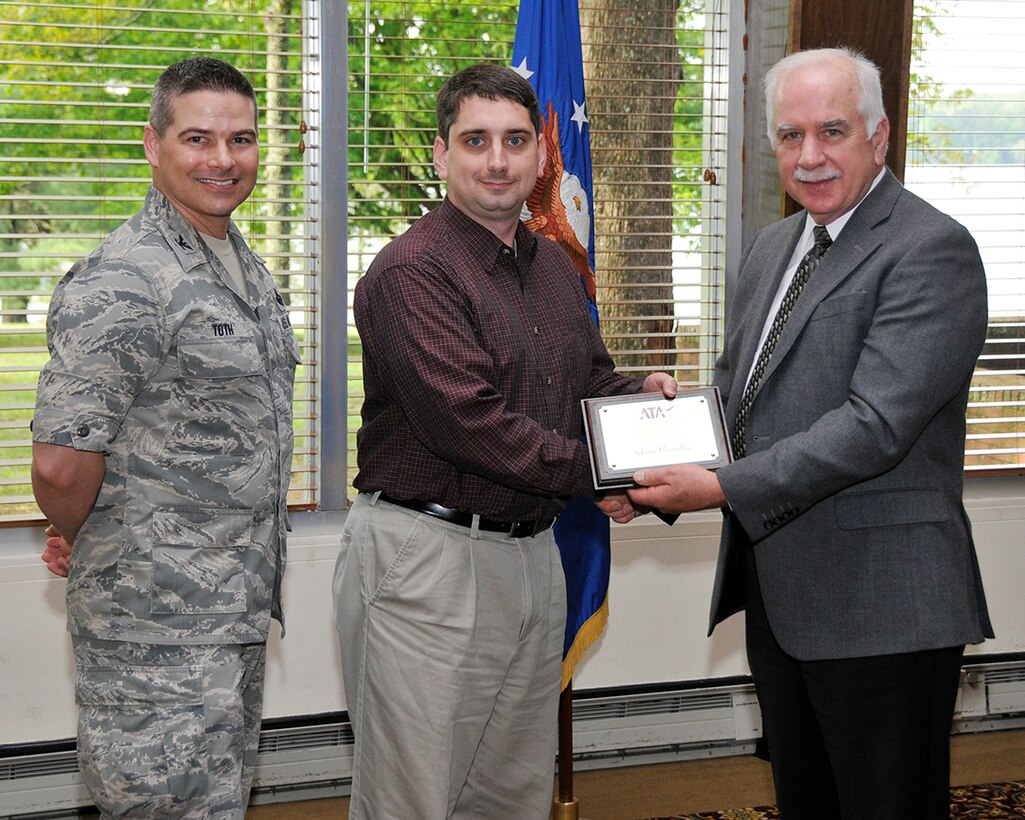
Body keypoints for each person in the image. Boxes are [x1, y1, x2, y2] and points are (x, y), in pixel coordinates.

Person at [609, 47, 992, 818]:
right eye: (790, 136)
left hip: (884, 604)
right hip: (783, 596)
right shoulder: (771, 247)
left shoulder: (929, 249)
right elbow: (736, 399)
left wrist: (715, 485)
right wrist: (651, 470)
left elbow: (873, 426)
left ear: (878, 138)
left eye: (832, 131)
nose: (808, 157)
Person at [333, 62, 675, 819]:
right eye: (475, 140)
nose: (497, 160)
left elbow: (585, 384)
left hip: (532, 549)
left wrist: (643, 406)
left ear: (543, 156)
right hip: (429, 558)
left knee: (511, 790)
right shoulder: (411, 272)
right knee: (413, 797)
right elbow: (471, 423)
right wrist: (609, 476)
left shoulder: (553, 264)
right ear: (440, 154)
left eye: (515, 140)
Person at [31, 57, 298, 818]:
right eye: (198, 138)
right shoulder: (124, 277)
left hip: (232, 611)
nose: (223, 159)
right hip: (154, 627)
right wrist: (82, 533)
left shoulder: (239, 265)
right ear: (153, 145)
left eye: (241, 139)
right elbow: (58, 464)